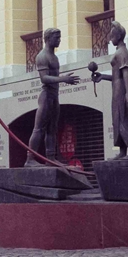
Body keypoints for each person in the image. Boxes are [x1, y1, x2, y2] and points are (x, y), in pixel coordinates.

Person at [25, 28, 80, 167]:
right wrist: (63, 79)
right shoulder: (42, 56)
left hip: (54, 96)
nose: (59, 40)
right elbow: (44, 78)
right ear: (48, 39)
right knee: (39, 129)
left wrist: (62, 79)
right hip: (46, 96)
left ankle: (51, 157)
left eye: (60, 37)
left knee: (52, 128)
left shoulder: (54, 57)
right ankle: (30, 159)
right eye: (57, 38)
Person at [92, 21, 128, 160]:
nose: (109, 38)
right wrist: (102, 76)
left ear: (118, 36)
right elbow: (116, 76)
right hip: (116, 87)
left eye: (112, 35)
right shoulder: (119, 51)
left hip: (120, 90)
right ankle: (122, 151)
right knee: (116, 119)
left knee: (121, 120)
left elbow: (126, 72)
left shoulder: (122, 52)